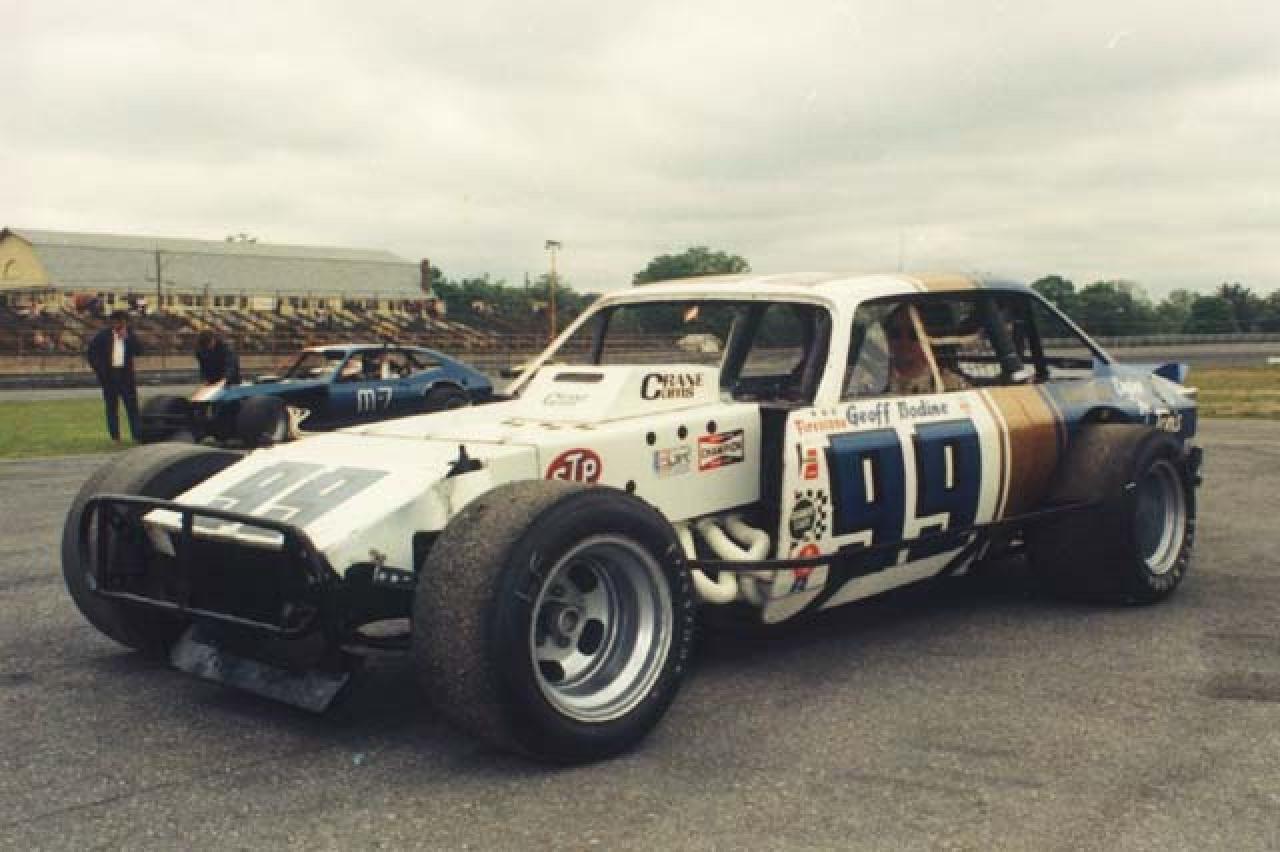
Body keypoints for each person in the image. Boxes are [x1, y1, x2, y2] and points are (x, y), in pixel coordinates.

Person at [86, 309, 144, 443]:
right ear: (112, 322)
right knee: (112, 407)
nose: (121, 325)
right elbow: (91, 354)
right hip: (109, 375)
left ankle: (137, 435)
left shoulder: (130, 335)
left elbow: (140, 351)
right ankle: (115, 437)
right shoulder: (103, 336)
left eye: (123, 322)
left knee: (132, 406)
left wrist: (128, 338)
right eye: (118, 322)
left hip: (126, 375)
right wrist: (100, 371)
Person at [885, 305, 970, 395]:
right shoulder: (877, 381)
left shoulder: (953, 385)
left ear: (929, 339)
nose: (904, 342)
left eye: (914, 335)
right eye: (895, 334)